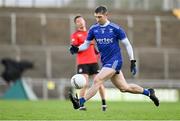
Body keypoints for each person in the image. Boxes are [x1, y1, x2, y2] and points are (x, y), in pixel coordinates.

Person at [69, 5, 159, 110]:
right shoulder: (94, 29)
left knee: (98, 79)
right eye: (96, 17)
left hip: (115, 61)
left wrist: (132, 60)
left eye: (100, 17)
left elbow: (127, 44)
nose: (97, 19)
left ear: (106, 15)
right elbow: (86, 44)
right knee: (124, 88)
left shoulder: (115, 28)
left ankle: (80, 102)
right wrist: (77, 49)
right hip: (106, 62)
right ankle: (149, 92)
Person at [70, 15, 107, 111]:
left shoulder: (91, 33)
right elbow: (75, 49)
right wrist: (75, 48)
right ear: (76, 24)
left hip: (93, 62)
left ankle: (104, 104)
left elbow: (96, 48)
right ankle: (81, 105)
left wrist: (98, 54)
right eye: (78, 21)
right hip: (82, 63)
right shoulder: (75, 35)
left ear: (84, 21)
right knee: (84, 84)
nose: (80, 22)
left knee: (99, 83)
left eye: (81, 20)